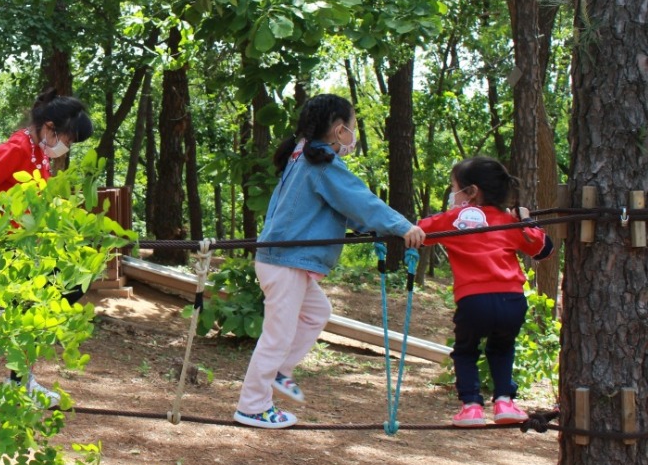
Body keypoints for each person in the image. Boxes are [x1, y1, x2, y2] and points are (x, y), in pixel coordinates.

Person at [234, 93, 425, 429]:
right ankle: (252, 406)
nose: (353, 135)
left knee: (317, 313)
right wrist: (401, 226)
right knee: (276, 336)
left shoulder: (301, 156)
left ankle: (280, 371)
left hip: (283, 259)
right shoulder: (320, 162)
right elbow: (359, 201)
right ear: (339, 130)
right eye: (352, 127)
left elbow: (341, 208)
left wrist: (377, 229)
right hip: (286, 262)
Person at [0, 88, 94, 407]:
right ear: (50, 127)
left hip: (32, 247)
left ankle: (21, 380)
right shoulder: (19, 146)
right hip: (9, 248)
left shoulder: (40, 154)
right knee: (40, 304)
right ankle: (19, 382)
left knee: (72, 286)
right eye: (67, 137)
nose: (66, 146)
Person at [417, 157, 554, 427]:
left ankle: (471, 406)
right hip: (511, 301)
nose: (452, 196)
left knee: (466, 350)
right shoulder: (508, 221)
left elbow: (417, 231)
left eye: (454, 188)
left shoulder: (453, 219)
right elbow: (544, 249)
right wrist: (524, 219)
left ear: (471, 192)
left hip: (474, 301)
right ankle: (504, 402)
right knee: (502, 348)